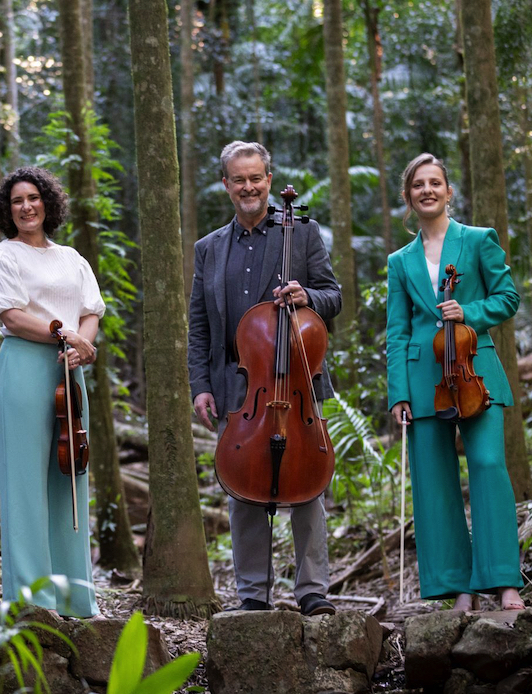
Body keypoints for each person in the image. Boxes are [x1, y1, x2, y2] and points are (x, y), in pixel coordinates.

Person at [188, 141, 341, 616]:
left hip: (296, 380)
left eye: (256, 178)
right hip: (239, 381)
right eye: (239, 179)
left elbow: (333, 296)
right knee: (243, 488)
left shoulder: (303, 232)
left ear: (269, 181)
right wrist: (201, 386)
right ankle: (253, 595)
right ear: (226, 185)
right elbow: (199, 326)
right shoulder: (208, 249)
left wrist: (307, 298)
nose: (249, 187)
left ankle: (313, 590)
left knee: (308, 485)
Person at [386, 153, 525, 611]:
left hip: (474, 372)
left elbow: (507, 298)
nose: (427, 190)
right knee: (433, 481)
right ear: (408, 197)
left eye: (435, 183)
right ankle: (457, 589)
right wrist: (398, 393)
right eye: (418, 185)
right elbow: (398, 328)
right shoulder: (399, 261)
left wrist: (470, 312)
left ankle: (504, 581)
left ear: (448, 191)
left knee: (487, 466)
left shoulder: (478, 240)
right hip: (423, 377)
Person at [0, 167, 104, 618]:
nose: (27, 206)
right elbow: (11, 316)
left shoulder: (72, 257)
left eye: (33, 198)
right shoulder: (3, 256)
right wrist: (64, 335)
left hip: (70, 371)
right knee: (27, 483)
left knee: (70, 478)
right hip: (25, 370)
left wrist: (82, 345)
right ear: (6, 210)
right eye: (17, 201)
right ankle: (33, 598)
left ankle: (75, 595)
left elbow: (91, 310)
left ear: (47, 203)